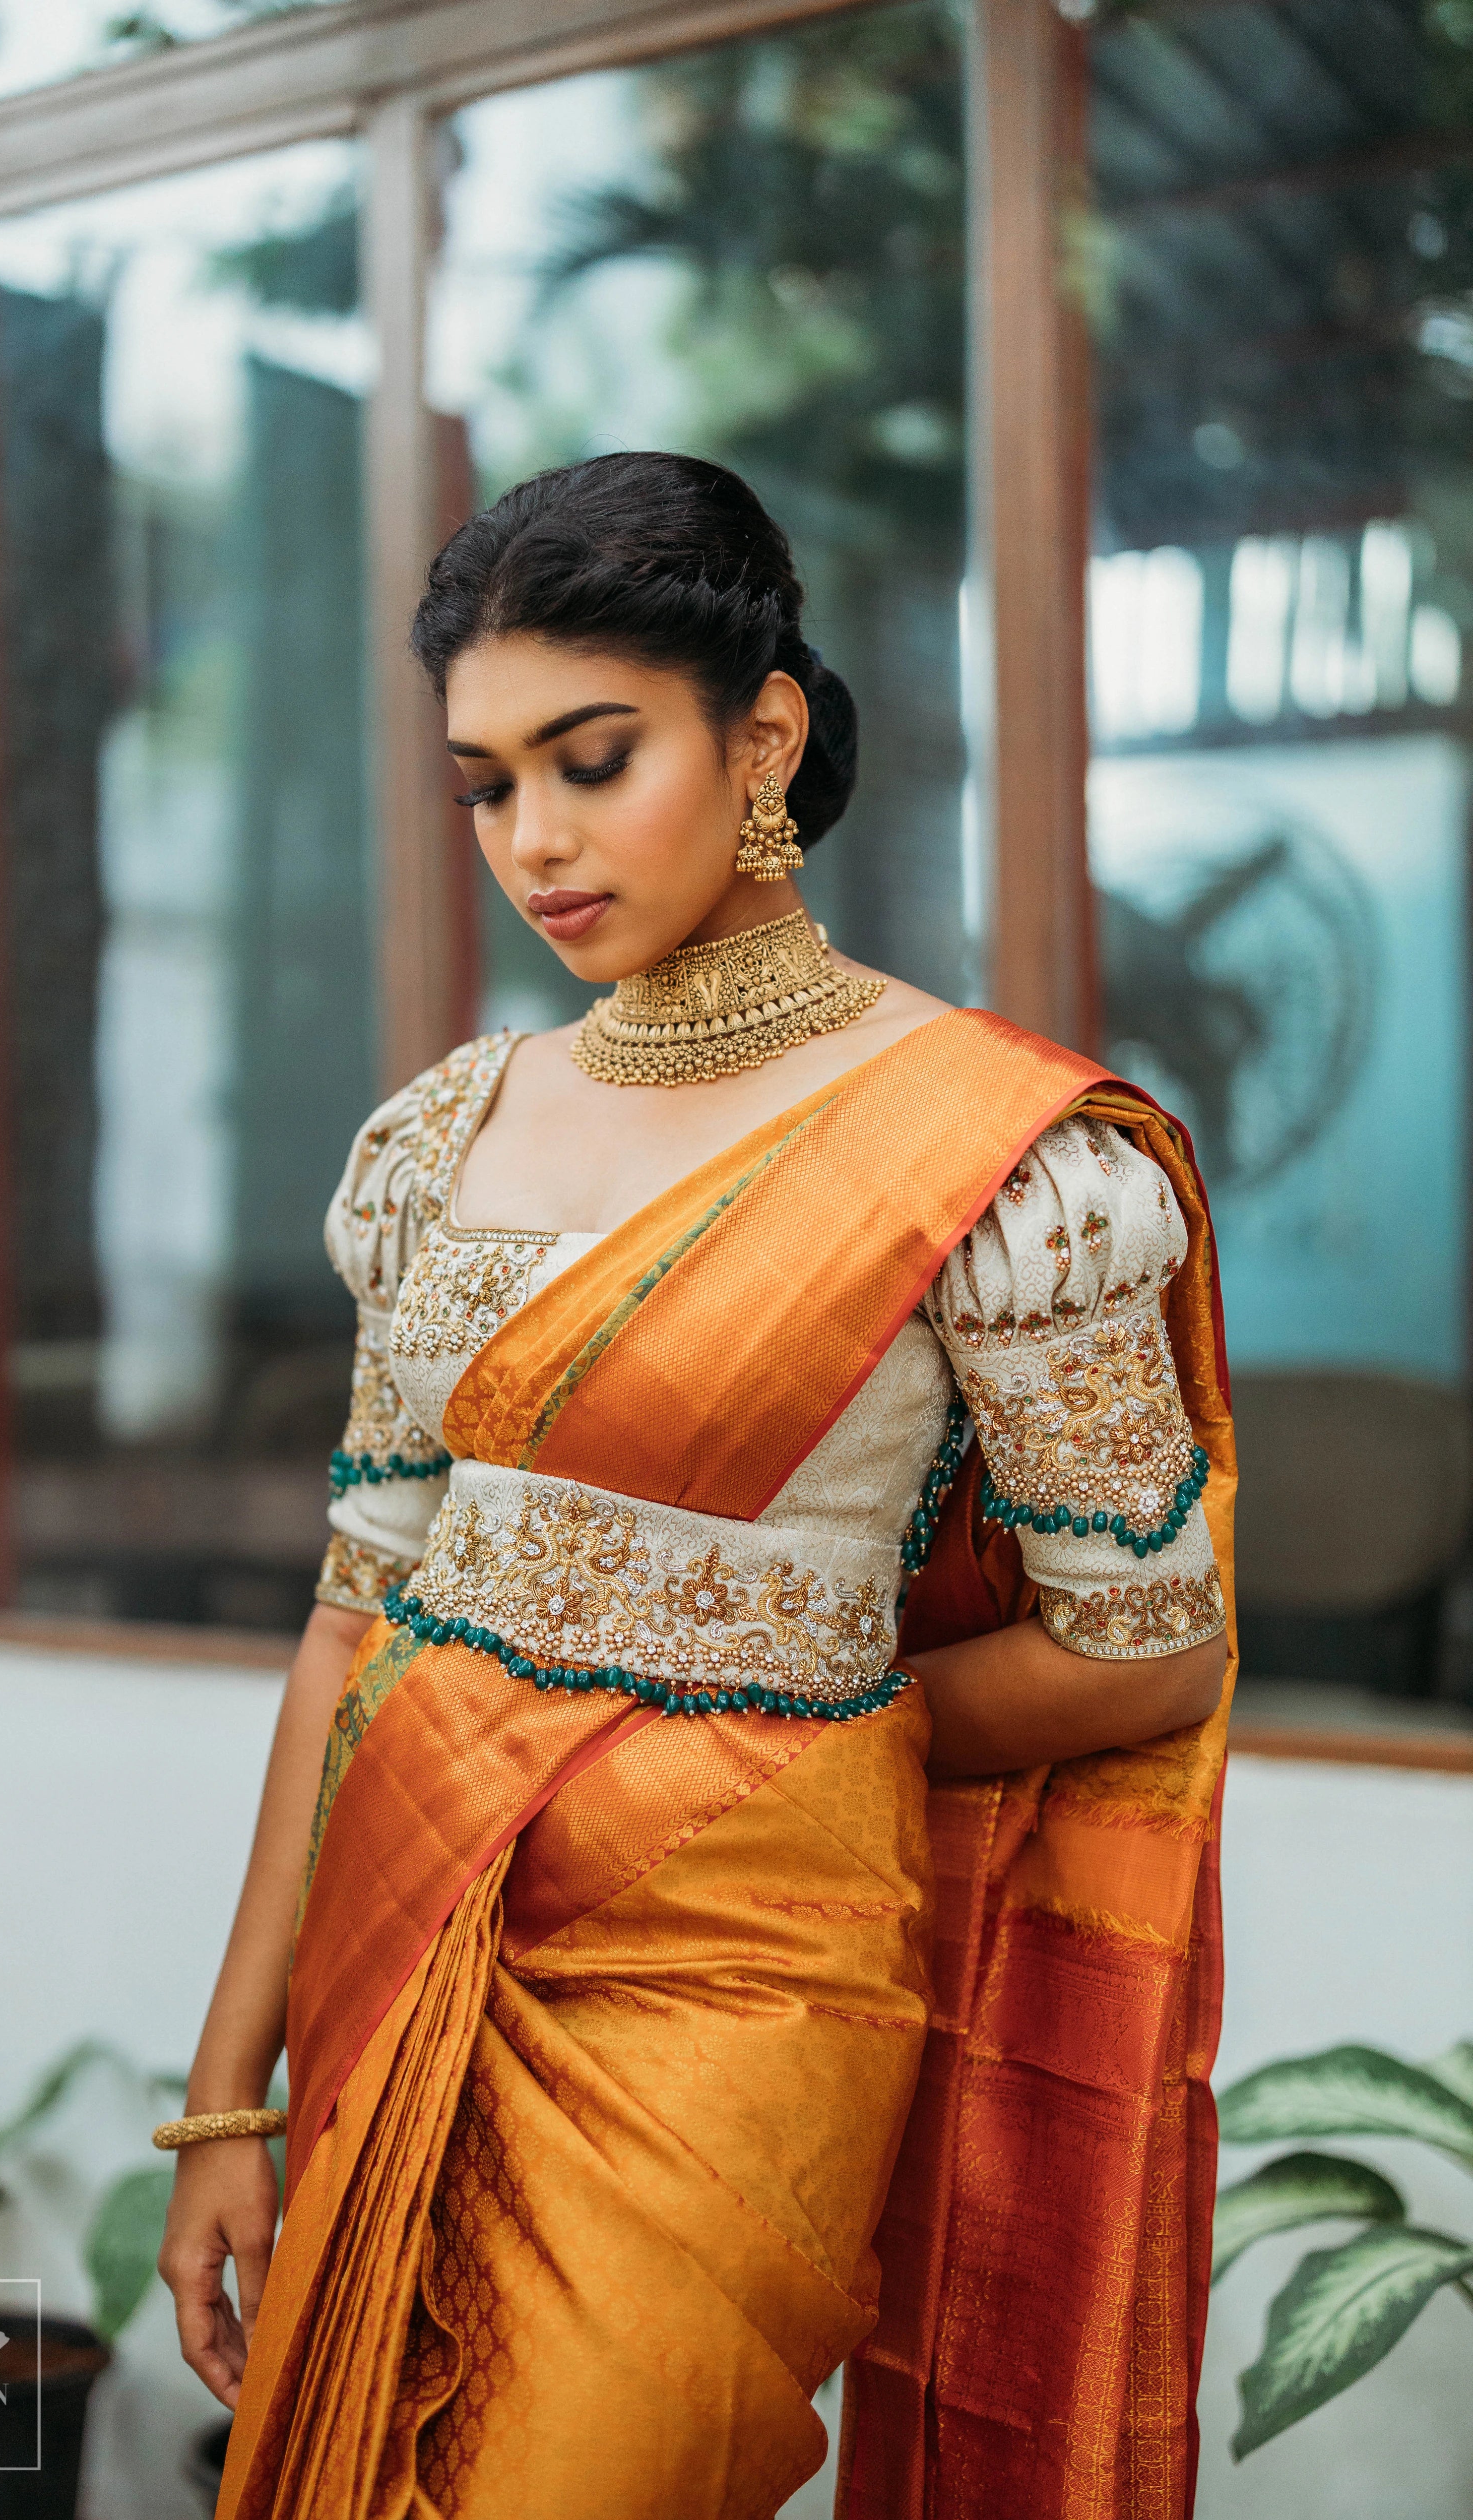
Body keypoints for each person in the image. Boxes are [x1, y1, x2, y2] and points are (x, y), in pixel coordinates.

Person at [158, 453, 1235, 2520]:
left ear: (765, 734)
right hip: (417, 1913)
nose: (535, 840)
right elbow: (358, 1607)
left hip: (741, 1967)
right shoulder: (444, 1133)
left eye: (590, 758)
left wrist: (759, 1713)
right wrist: (223, 2102)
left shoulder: (998, 1157)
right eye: (488, 784)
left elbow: (1149, 1651)